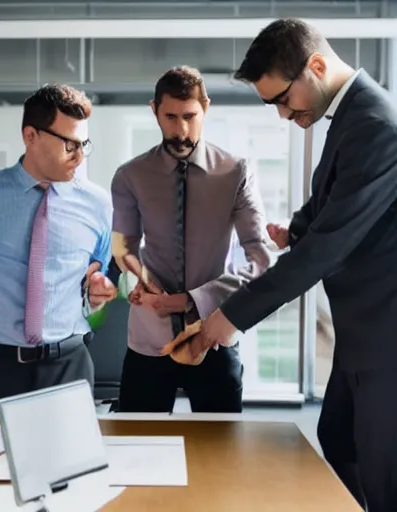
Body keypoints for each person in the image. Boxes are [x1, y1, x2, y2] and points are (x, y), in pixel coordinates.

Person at [173, 18, 397, 512]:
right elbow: (334, 202)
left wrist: (226, 319)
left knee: (383, 477)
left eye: (281, 99)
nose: (280, 114)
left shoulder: (378, 124)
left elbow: (326, 250)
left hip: (385, 339)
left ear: (316, 66)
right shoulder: (353, 117)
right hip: (361, 333)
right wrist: (295, 229)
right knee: (337, 439)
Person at [0, 84, 117, 412]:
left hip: (68, 367)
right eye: (69, 144)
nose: (79, 155)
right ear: (31, 136)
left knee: (69, 463)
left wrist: (96, 291)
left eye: (84, 144)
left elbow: (95, 274)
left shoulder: (98, 203)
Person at [111, 66, 270, 413]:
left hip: (215, 335)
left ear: (206, 108)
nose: (181, 129)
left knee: (220, 456)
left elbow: (259, 259)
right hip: (148, 341)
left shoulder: (236, 172)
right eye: (170, 116)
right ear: (154, 110)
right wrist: (140, 280)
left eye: (190, 116)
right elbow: (124, 249)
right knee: (139, 454)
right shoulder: (129, 176)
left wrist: (191, 300)